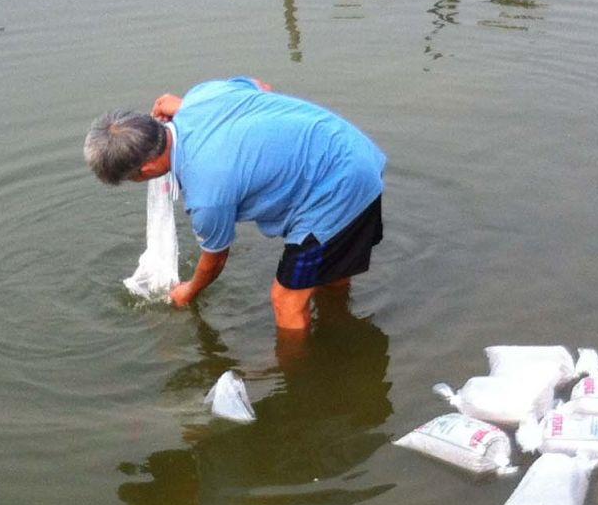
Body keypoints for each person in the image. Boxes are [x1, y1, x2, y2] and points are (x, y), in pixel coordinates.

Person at [84, 77, 386, 333]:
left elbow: (215, 258)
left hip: (340, 190)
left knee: (286, 300)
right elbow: (262, 88)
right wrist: (191, 111)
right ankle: (340, 323)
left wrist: (189, 291)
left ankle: (299, 377)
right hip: (353, 148)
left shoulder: (206, 194)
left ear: (147, 170)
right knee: (331, 268)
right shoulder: (202, 96)